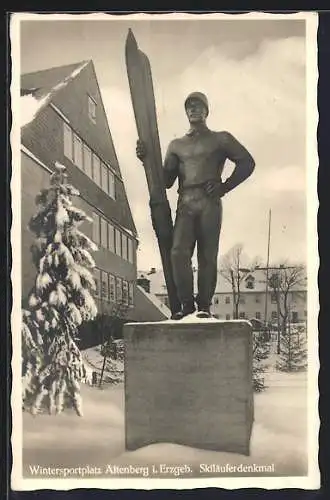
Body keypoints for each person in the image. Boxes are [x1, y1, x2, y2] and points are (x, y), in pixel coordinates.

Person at [136, 91, 255, 319]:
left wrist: (225, 186)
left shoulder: (221, 139)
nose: (194, 109)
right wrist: (147, 159)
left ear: (207, 110)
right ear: (186, 111)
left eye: (199, 105)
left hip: (210, 202)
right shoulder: (176, 145)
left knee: (207, 256)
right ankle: (186, 306)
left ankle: (204, 307)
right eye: (189, 106)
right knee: (178, 252)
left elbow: (247, 163)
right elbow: (166, 181)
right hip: (186, 203)